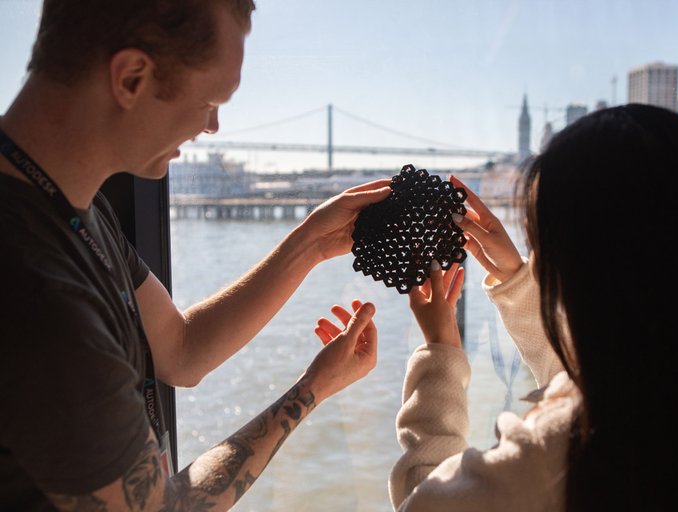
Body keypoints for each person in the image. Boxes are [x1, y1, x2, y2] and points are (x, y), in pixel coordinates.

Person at [0, 1, 390, 509]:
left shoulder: (69, 204)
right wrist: (312, 390)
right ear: (132, 79)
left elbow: (180, 349)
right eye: (212, 99)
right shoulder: (37, 294)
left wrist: (311, 243)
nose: (213, 126)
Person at [359, 104, 678, 511]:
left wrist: (440, 355)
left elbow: (422, 499)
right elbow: (597, 385)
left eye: (539, 247)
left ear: (585, 269)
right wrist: (516, 281)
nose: (539, 263)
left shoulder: (554, 461)